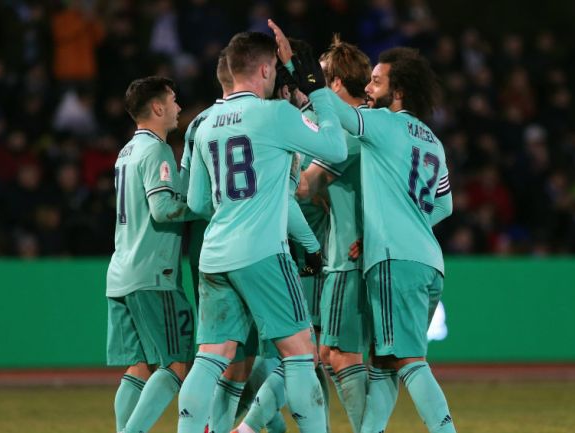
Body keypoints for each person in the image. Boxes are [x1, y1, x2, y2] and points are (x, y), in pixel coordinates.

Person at [176, 30, 347, 433]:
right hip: (264, 253)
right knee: (301, 354)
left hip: (215, 255)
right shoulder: (275, 115)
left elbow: (198, 203)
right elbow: (336, 150)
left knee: (211, 357)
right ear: (267, 68)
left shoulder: (205, 123)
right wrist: (316, 90)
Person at [326, 47, 456, 433]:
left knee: (409, 360)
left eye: (376, 81)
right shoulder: (432, 139)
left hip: (393, 261)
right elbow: (445, 205)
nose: (368, 87)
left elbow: (336, 111)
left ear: (397, 90)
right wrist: (409, 221)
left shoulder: (381, 123)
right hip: (429, 262)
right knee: (384, 363)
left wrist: (304, 76)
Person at [106, 76, 197, 433]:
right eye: (173, 100)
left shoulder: (126, 151)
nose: (177, 107)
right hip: (153, 274)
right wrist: (203, 206)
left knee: (139, 366)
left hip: (121, 273)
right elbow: (163, 209)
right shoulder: (157, 150)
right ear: (157, 107)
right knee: (176, 364)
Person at [298, 35, 372, 433]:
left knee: (341, 357)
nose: (315, 89)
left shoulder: (345, 134)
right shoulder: (371, 126)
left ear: (337, 84)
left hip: (348, 256)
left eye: (322, 79)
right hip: (351, 251)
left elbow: (303, 187)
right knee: (328, 353)